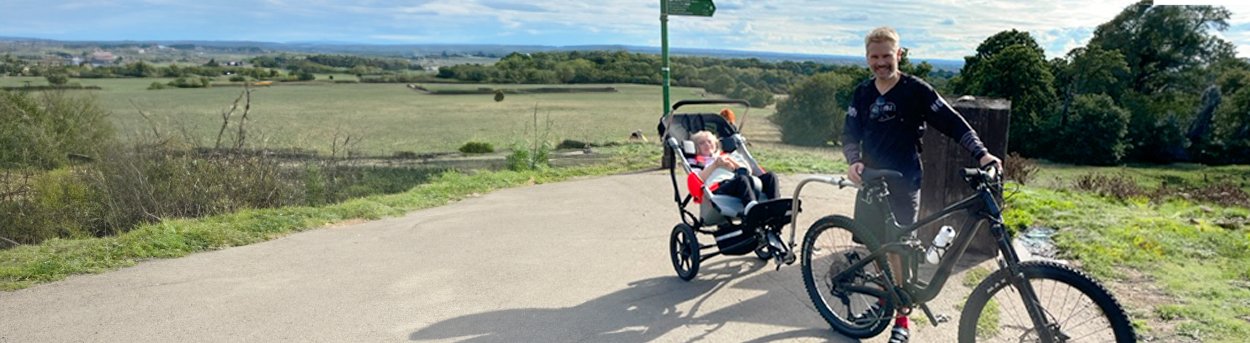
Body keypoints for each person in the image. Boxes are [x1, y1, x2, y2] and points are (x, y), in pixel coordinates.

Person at [842, 27, 1001, 343]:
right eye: (874, 57)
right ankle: (882, 299)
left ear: (898, 54)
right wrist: (853, 160)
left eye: (887, 55)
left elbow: (953, 122)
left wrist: (982, 154)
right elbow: (850, 134)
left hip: (905, 180)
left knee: (900, 247)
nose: (881, 62)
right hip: (871, 182)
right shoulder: (862, 93)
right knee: (874, 247)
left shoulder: (916, 90)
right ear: (867, 58)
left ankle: (902, 317)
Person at [686, 130, 778, 207]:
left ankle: (776, 206)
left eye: (709, 142)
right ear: (696, 147)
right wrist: (715, 165)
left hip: (739, 182)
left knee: (771, 176)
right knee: (742, 180)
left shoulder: (728, 156)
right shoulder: (696, 162)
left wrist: (731, 162)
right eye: (702, 143)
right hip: (717, 187)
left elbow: (747, 171)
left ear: (715, 144)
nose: (707, 145)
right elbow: (696, 180)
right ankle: (751, 208)